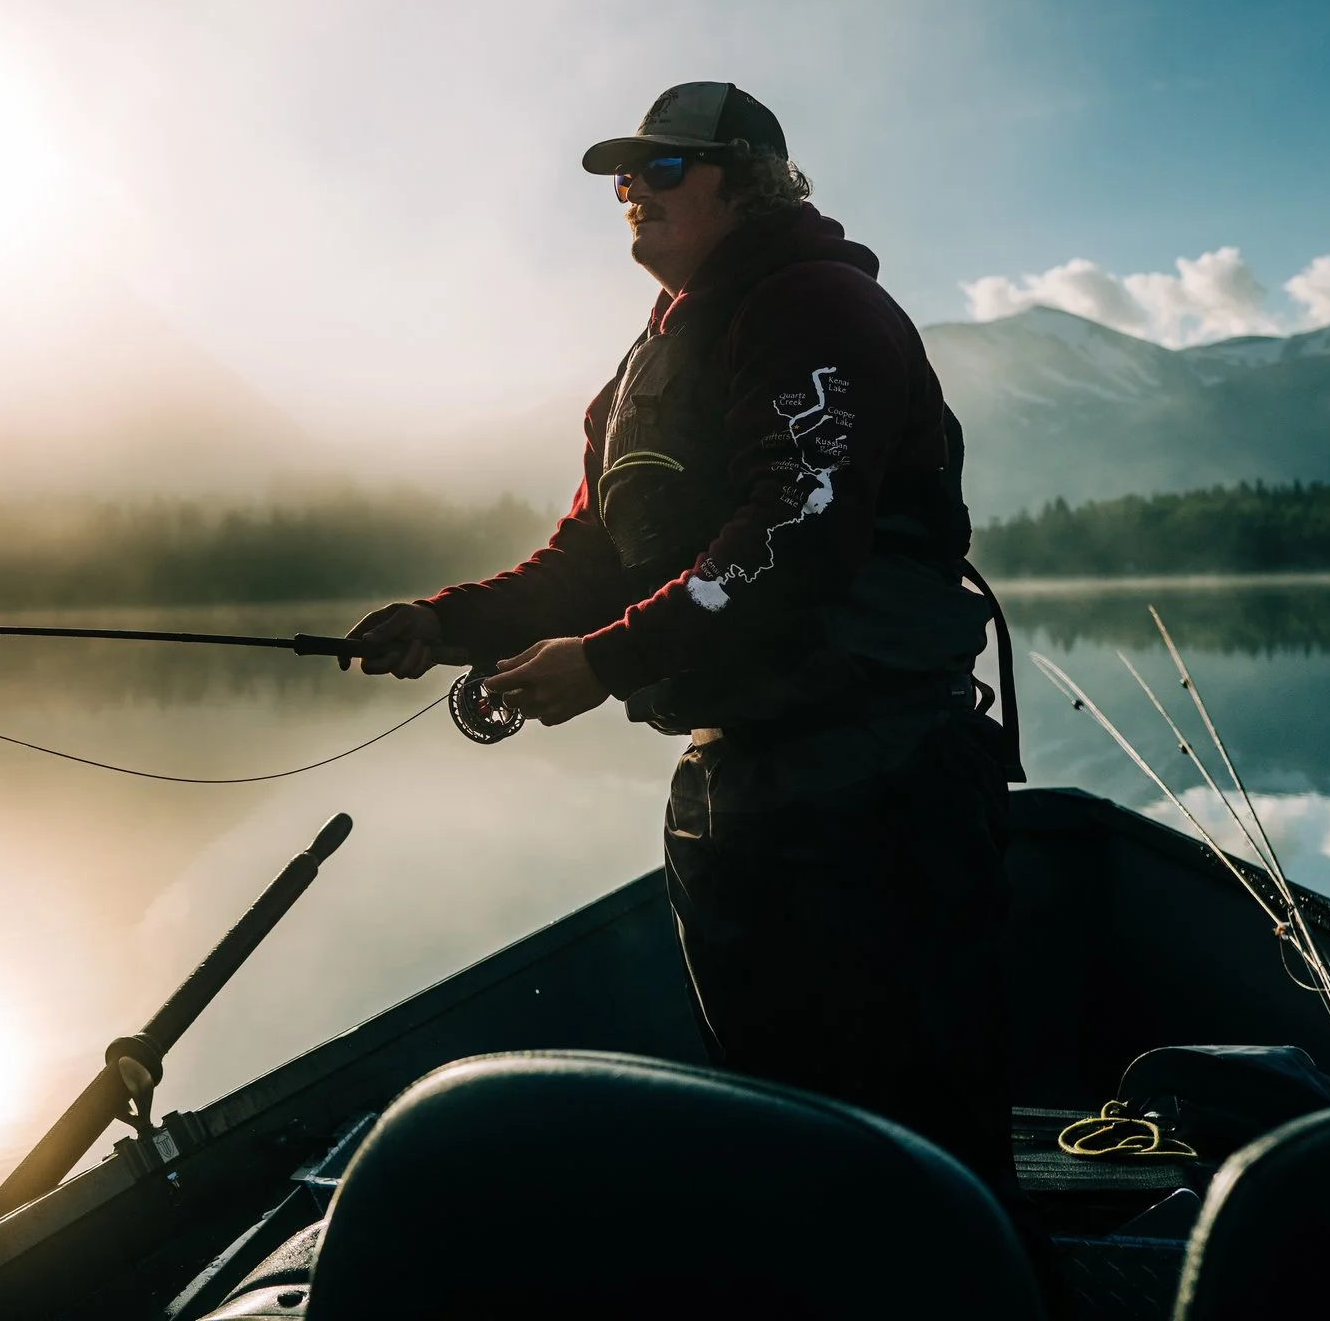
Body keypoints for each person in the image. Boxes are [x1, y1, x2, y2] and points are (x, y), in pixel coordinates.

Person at [346, 81, 1026, 1207]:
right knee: (778, 1124)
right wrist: (445, 621)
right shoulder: (637, 372)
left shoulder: (816, 306)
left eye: (661, 169)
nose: (629, 190)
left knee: (925, 1142)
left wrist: (605, 662)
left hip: (879, 775)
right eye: (623, 174)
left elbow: (794, 530)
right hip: (734, 783)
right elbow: (590, 558)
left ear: (746, 179)